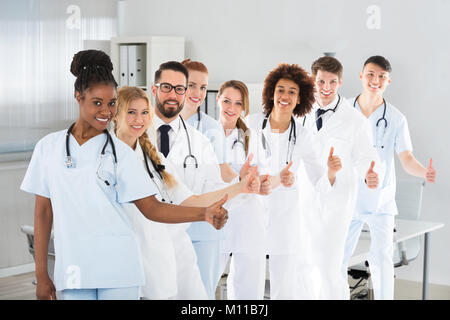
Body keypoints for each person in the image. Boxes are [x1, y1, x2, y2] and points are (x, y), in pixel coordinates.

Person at [19, 50, 228, 300]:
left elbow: (152, 208)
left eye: (112, 103)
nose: (106, 111)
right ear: (78, 97)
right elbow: (43, 212)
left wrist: (203, 214)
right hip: (74, 270)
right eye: (97, 103)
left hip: (120, 271)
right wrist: (42, 274)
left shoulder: (122, 154)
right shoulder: (48, 148)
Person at [113, 86, 259, 299]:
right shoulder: (109, 156)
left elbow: (192, 200)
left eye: (145, 112)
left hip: (171, 251)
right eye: (131, 112)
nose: (139, 119)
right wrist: (205, 214)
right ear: (115, 115)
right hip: (134, 257)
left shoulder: (156, 159)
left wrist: (240, 186)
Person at [341, 55, 437, 300]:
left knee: (382, 259)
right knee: (337, 257)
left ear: (388, 81)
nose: (375, 80)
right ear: (361, 76)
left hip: (380, 201)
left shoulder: (395, 118)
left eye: (381, 76)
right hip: (348, 197)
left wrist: (423, 171)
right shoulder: (343, 110)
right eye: (371, 74)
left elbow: (406, 159)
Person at [246, 63, 338, 299]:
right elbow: (237, 166)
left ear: (300, 99)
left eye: (291, 92)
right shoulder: (250, 125)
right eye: (280, 90)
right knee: (246, 281)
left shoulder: (304, 136)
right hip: (251, 210)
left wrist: (330, 173)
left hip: (285, 215)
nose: (285, 96)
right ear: (271, 93)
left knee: (283, 283)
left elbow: (320, 181)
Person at [147, 61, 234, 299]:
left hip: (180, 241)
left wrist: (232, 195)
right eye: (166, 87)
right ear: (154, 90)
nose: (173, 95)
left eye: (179, 89)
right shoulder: (133, 135)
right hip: (143, 245)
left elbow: (215, 190)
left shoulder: (199, 141)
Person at [297, 56, 381, 299]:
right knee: (304, 266)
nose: (325, 88)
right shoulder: (301, 114)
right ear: (313, 81)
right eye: (321, 81)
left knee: (329, 266)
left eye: (332, 82)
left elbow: (367, 156)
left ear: (340, 83)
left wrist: (370, 174)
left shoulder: (354, 120)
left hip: (336, 201)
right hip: (305, 198)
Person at [214, 80, 269, 299]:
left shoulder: (251, 136)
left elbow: (260, 172)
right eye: (226, 101)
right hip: (216, 212)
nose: (231, 108)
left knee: (248, 285)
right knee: (206, 279)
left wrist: (256, 182)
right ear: (217, 99)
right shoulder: (207, 134)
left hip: (248, 215)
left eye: (238, 103)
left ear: (244, 107)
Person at [179, 59, 235, 182]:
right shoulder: (161, 122)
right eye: (191, 85)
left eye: (203, 87)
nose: (198, 93)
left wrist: (246, 182)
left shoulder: (211, 127)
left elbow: (224, 172)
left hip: (197, 197)